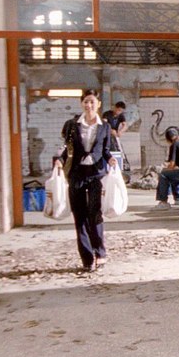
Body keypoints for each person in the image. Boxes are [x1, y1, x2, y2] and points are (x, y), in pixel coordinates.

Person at [54, 89, 117, 272]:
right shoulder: (72, 125)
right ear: (81, 104)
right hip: (77, 174)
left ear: (98, 104)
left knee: (95, 214)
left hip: (96, 174)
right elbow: (67, 148)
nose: (89, 105)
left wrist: (111, 159)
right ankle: (87, 259)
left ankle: (100, 253)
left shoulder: (105, 127)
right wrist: (60, 160)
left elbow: (105, 150)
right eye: (86, 102)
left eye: (92, 102)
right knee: (79, 217)